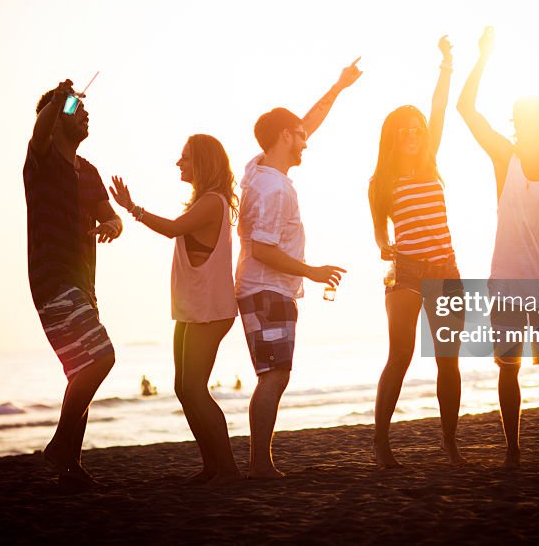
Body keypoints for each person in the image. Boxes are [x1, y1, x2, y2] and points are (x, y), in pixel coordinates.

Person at [457, 27, 539, 467]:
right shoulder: (504, 158)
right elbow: (465, 109)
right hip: (506, 283)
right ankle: (512, 450)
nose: (520, 127)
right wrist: (483, 57)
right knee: (507, 368)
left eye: (528, 121)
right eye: (516, 121)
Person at [235, 58, 362, 478]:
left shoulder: (259, 169)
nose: (307, 141)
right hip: (267, 289)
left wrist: (339, 87)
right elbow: (263, 250)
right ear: (284, 137)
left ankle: (260, 461)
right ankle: (259, 464)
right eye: (300, 136)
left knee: (276, 374)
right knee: (273, 376)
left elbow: (310, 121)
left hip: (265, 290)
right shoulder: (273, 190)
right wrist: (313, 271)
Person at [110, 134, 242, 484]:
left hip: (210, 310)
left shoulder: (213, 201)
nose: (179, 164)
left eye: (185, 158)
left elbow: (171, 230)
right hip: (192, 308)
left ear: (203, 162)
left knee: (195, 389)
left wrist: (132, 208)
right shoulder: (203, 202)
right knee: (184, 388)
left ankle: (227, 469)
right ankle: (211, 466)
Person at [369, 36, 466, 468]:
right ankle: (382, 444)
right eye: (403, 131)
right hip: (405, 273)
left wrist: (446, 65)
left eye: (417, 130)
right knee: (401, 357)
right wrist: (382, 244)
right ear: (392, 137)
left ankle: (450, 445)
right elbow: (378, 234)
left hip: (445, 269)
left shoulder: (431, 165)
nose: (412, 135)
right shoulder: (381, 182)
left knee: (448, 360)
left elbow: (440, 109)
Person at [24, 79, 123, 487]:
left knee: (82, 370)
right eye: (75, 110)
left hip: (84, 282)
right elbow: (42, 126)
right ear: (56, 120)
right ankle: (59, 448)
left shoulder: (90, 172)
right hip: (53, 279)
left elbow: (110, 214)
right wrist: (62, 97)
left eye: (83, 109)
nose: (84, 114)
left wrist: (112, 225)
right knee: (102, 358)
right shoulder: (42, 159)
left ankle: (70, 467)